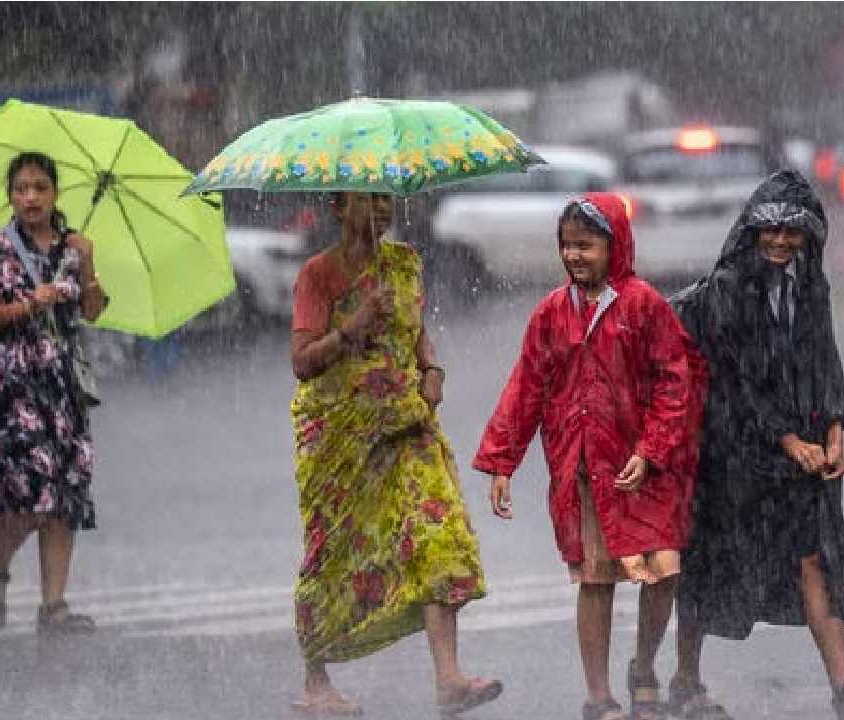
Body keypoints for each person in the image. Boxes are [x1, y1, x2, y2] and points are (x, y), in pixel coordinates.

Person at [668, 170, 844, 720]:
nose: (779, 241)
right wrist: (788, 439)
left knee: (816, 559)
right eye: (768, 230)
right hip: (732, 454)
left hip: (802, 454)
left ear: (809, 237)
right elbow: (737, 376)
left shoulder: (809, 285)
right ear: (751, 231)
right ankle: (684, 680)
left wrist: (836, 433)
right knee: (711, 564)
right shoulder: (727, 290)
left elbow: (825, 362)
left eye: (791, 232)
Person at [474, 194, 701, 720]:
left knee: (662, 572)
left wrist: (653, 448)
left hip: (644, 470)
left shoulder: (644, 305)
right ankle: (598, 697)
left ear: (615, 245)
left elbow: (675, 382)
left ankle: (643, 667)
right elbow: (525, 387)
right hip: (584, 470)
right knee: (596, 580)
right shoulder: (551, 314)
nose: (575, 256)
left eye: (587, 245)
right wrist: (502, 462)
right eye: (567, 245)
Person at [289, 192, 501, 716]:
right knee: (334, 551)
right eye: (368, 200)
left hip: (406, 423)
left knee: (438, 531)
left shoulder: (405, 264)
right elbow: (302, 361)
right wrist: (351, 327)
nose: (382, 209)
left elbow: (418, 338)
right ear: (339, 208)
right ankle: (316, 683)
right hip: (341, 434)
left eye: (387, 199)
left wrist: (432, 371)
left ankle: (449, 678)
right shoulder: (319, 274)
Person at [0, 151, 108, 637]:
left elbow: (94, 310)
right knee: (29, 485)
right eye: (22, 188)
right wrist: (24, 306)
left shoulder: (72, 245)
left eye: (40, 187)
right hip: (14, 382)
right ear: (10, 196)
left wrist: (87, 264)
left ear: (55, 193)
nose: (31, 197)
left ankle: (54, 605)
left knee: (65, 490)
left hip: (63, 384)